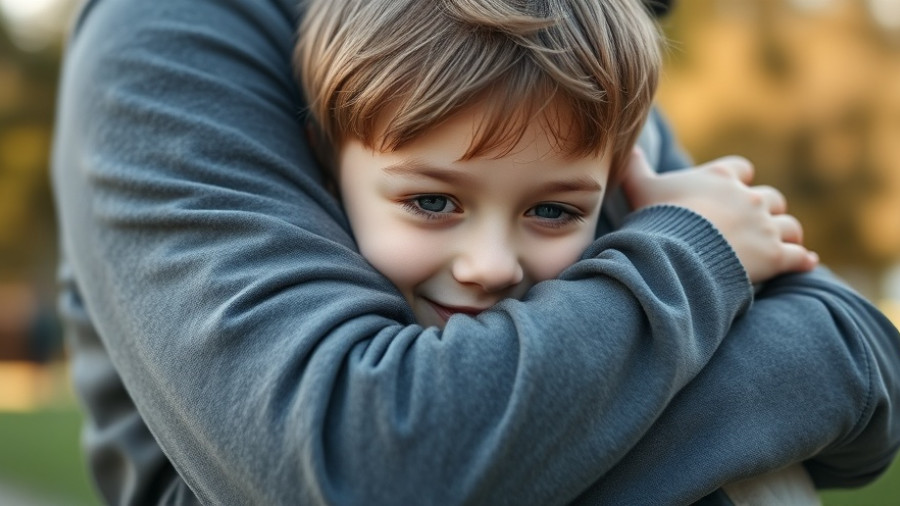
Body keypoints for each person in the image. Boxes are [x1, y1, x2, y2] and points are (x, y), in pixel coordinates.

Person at [50, 0, 900, 505]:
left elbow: (858, 369)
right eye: (431, 203)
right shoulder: (177, 36)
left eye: (557, 209)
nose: (490, 266)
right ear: (322, 155)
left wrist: (517, 447)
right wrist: (694, 254)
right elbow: (366, 463)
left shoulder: (557, 39)